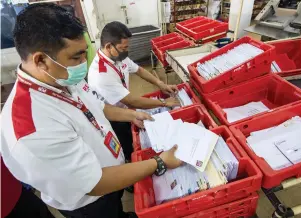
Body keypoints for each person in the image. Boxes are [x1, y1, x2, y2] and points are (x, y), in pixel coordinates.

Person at [0, 3, 182, 218]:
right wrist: (159, 162)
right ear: (41, 60)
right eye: (76, 57)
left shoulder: (61, 78)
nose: (84, 64)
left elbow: (96, 107)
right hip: (90, 203)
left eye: (84, 54)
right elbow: (95, 183)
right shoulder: (31, 126)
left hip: (111, 178)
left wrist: (131, 115)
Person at [88, 21, 180, 162]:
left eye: (127, 47)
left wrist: (160, 84)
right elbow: (131, 100)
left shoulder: (117, 57)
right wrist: (163, 102)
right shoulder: (101, 74)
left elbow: (139, 70)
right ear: (108, 46)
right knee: (125, 146)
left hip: (125, 109)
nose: (126, 51)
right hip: (112, 118)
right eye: (123, 48)